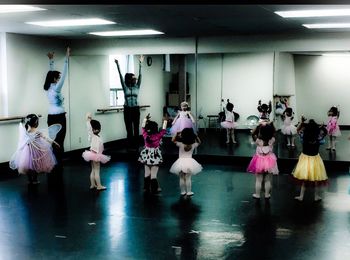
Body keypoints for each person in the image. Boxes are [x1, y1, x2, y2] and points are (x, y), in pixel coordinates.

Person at [9, 114, 60, 185]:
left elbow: (23, 140)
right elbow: (46, 138)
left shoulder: (26, 131)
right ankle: (35, 179)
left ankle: (30, 180)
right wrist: (55, 143)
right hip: (37, 151)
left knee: (28, 166)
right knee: (36, 165)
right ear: (36, 123)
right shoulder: (37, 132)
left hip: (27, 151)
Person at [44, 47, 70, 167]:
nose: (60, 79)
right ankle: (58, 161)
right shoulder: (57, 88)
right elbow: (64, 74)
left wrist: (51, 61)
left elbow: (51, 73)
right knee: (60, 139)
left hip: (51, 115)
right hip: (59, 116)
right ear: (55, 79)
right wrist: (66, 58)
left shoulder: (49, 87)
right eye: (58, 78)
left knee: (53, 139)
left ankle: (54, 160)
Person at [293, 119, 328, 201]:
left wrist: (301, 123)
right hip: (315, 159)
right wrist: (321, 127)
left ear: (307, 129)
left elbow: (297, 130)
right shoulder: (319, 139)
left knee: (304, 179)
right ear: (317, 130)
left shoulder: (303, 137)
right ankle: (316, 196)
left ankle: (301, 196)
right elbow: (325, 133)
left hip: (305, 159)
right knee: (316, 178)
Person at [114, 55, 144, 149]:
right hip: (127, 109)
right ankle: (130, 145)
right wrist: (117, 65)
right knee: (129, 128)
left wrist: (140, 63)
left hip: (135, 108)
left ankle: (136, 145)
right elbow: (120, 76)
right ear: (130, 79)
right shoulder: (125, 87)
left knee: (136, 127)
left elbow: (141, 75)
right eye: (133, 78)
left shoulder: (137, 86)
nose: (135, 79)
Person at [247, 122, 279, 199]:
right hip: (269, 162)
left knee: (258, 179)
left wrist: (258, 126)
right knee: (267, 180)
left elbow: (252, 133)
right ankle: (267, 194)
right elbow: (274, 132)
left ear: (260, 132)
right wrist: (271, 125)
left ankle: (257, 195)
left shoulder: (258, 141)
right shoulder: (272, 140)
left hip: (259, 162)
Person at [138, 113, 167, 194]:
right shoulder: (158, 136)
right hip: (155, 157)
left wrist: (145, 119)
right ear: (156, 129)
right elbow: (164, 130)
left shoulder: (145, 135)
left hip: (146, 156)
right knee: (153, 174)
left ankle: (146, 188)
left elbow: (143, 127)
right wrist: (165, 121)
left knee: (147, 173)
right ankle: (155, 188)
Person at [170, 128, 202, 196]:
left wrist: (176, 133)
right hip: (190, 162)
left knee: (181, 178)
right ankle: (189, 192)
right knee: (188, 178)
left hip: (180, 162)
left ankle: (183, 191)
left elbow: (172, 140)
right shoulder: (193, 145)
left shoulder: (180, 144)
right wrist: (196, 136)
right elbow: (199, 142)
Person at [82, 113, 111, 190]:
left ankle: (92, 184)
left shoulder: (93, 136)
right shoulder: (93, 135)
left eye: (99, 128)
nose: (99, 130)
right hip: (96, 155)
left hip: (92, 154)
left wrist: (90, 120)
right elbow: (89, 129)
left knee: (93, 170)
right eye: (97, 128)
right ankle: (99, 185)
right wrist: (88, 120)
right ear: (94, 129)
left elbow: (90, 129)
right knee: (97, 170)